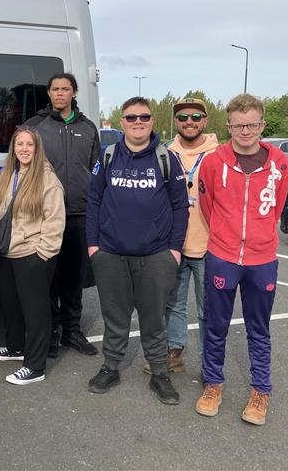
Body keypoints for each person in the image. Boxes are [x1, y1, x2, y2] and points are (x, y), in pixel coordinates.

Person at [195, 94, 288, 426]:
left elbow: (276, 208)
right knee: (216, 326)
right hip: (222, 256)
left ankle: (261, 391)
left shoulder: (280, 163)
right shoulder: (213, 162)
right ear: (229, 126)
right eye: (239, 125)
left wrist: (259, 236)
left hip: (262, 259)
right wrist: (226, 234)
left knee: (259, 329)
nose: (246, 131)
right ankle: (213, 385)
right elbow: (208, 207)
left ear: (262, 124)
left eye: (252, 124)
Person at [85, 96, 188, 405]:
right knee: (114, 316)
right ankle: (111, 367)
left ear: (152, 121)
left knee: (154, 319)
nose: (138, 122)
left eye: (144, 117)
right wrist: (93, 246)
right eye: (131, 118)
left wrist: (174, 250)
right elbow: (93, 201)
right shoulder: (108, 156)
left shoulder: (166, 158)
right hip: (111, 254)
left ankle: (160, 375)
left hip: (156, 255)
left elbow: (180, 207)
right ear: (122, 122)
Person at [26, 72, 100, 357]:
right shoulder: (35, 126)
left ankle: (73, 331)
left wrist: (91, 187)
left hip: (80, 213)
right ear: (48, 92)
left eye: (65, 89)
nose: (60, 93)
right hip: (46, 215)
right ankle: (52, 332)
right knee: (49, 277)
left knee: (74, 276)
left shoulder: (88, 127)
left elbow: (96, 166)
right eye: (55, 88)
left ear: (74, 92)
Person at [144, 97, 218, 375]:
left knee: (208, 308)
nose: (189, 122)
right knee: (173, 304)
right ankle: (174, 352)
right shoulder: (164, 154)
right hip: (172, 245)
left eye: (196, 117)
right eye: (183, 117)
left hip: (210, 245)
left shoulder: (218, 155)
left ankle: (209, 363)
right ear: (176, 121)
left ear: (205, 121)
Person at [0, 127, 66, 385]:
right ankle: (16, 347)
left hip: (32, 254)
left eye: (29, 145)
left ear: (37, 149)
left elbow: (55, 221)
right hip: (7, 253)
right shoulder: (6, 174)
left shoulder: (47, 179)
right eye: (19, 144)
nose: (24, 149)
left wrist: (43, 253)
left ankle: (35, 366)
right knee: (10, 305)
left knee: (36, 312)